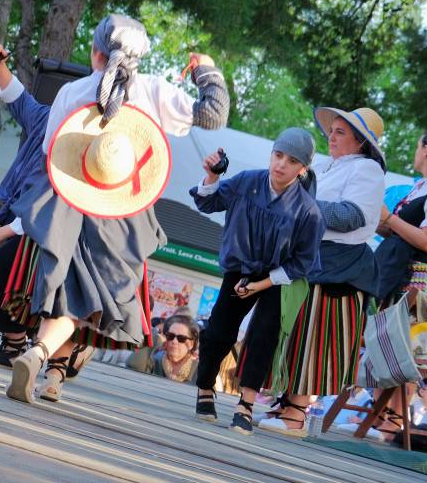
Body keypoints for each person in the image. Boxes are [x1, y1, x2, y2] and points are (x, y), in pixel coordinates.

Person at [2, 14, 230, 406]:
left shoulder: (73, 91)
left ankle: (46, 364)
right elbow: (214, 114)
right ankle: (45, 363)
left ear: (95, 53)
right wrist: (206, 69)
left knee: (67, 297)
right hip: (123, 217)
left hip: (72, 205)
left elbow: (49, 154)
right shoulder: (155, 91)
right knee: (91, 306)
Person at [258, 106, 386, 437]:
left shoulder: (368, 169)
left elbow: (351, 217)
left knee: (311, 339)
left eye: (341, 132)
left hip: (338, 268)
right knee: (294, 332)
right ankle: (286, 404)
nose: (331, 135)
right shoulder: (329, 167)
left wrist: (300, 204)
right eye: (332, 130)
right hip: (312, 260)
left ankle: (296, 414)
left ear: (360, 142)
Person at [189, 129, 324, 434]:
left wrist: (260, 285)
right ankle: (205, 388)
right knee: (219, 330)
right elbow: (208, 204)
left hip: (278, 277)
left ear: (303, 168)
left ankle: (246, 403)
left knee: (264, 334)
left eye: (291, 161)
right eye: (278, 155)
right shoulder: (247, 181)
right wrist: (211, 176)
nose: (281, 164)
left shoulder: (309, 211)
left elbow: (301, 264)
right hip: (240, 266)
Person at [0, 43, 52, 368]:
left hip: (52, 227)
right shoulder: (46, 119)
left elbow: (51, 202)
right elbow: (20, 99)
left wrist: (2, 232)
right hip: (21, 217)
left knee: (8, 261)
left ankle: (39, 349)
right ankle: (13, 343)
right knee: (4, 263)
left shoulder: (81, 143)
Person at [374, 127, 427, 304]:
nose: (416, 152)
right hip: (397, 271)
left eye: (418, 147)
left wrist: (389, 218)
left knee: (411, 331)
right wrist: (375, 220)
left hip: (420, 279)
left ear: (425, 150)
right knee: (387, 329)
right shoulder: (424, 187)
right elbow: (403, 234)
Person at [126, 314, 200, 383]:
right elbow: (133, 368)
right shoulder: (152, 360)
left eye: (181, 338)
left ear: (191, 344)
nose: (174, 341)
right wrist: (155, 337)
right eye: (170, 336)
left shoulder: (199, 371)